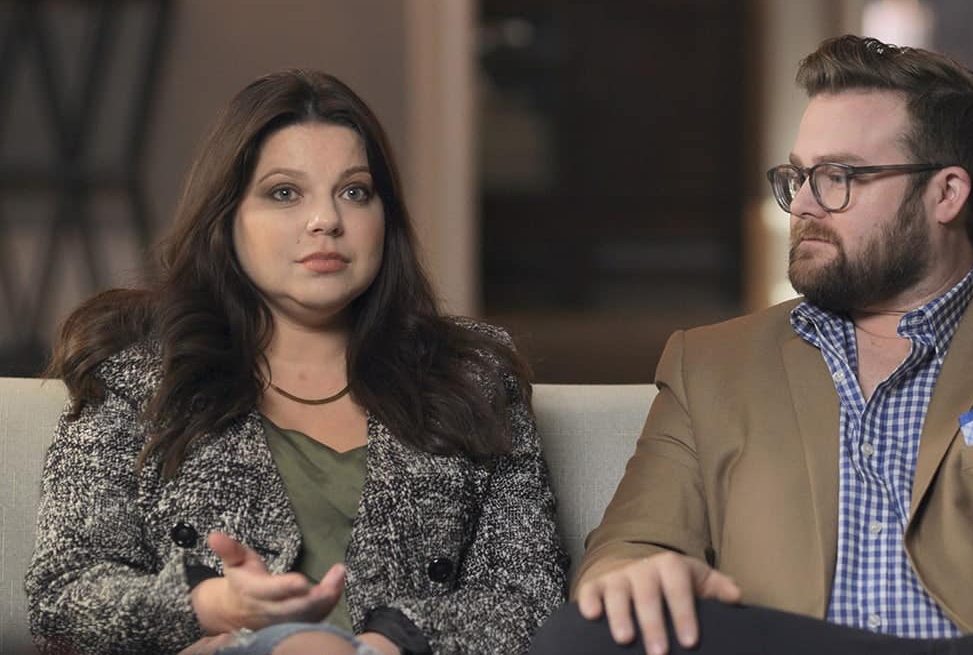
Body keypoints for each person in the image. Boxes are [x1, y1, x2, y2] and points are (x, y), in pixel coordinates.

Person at [531, 35, 973, 655]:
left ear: (946, 193)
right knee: (579, 634)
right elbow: (631, 541)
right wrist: (628, 573)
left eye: (839, 176)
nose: (803, 206)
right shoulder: (709, 363)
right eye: (797, 178)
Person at [26, 69, 567, 655]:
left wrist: (392, 644)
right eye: (285, 193)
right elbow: (65, 593)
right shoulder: (138, 377)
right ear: (227, 218)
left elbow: (530, 598)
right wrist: (207, 605)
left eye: (355, 191)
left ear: (386, 217)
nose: (326, 220)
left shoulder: (474, 376)